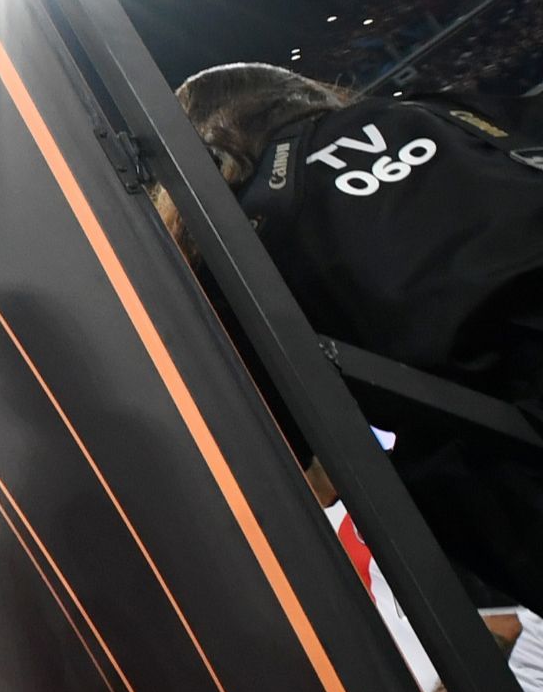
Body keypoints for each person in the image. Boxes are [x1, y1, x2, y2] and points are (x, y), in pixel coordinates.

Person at [174, 64, 543, 605]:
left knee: (423, 480)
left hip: (516, 441)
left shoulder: (243, 243)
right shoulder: (434, 107)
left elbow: (316, 478)